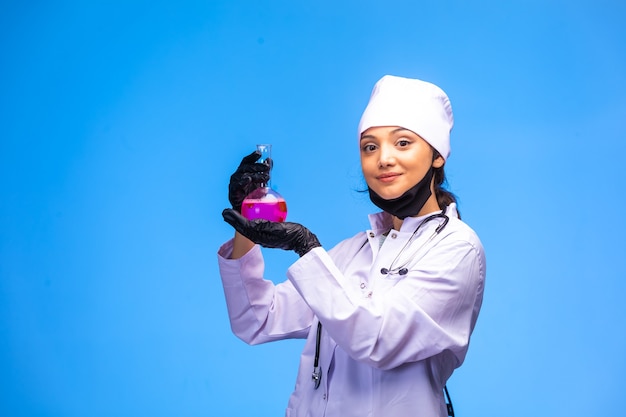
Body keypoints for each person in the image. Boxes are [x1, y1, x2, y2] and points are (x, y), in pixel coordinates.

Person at [217, 75, 486, 417]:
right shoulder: (354, 251)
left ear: (436, 155)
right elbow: (256, 319)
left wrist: (305, 247)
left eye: (402, 143)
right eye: (370, 146)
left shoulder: (457, 248)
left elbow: (376, 339)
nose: (383, 159)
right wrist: (247, 227)